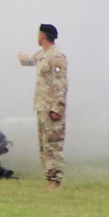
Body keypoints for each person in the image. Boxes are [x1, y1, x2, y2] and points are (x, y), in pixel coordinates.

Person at [17, 23, 68, 189]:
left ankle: (56, 179)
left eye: (38, 34)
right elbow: (29, 59)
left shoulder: (57, 57)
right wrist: (19, 56)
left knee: (53, 144)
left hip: (51, 107)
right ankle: (49, 177)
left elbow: (60, 84)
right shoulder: (42, 55)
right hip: (41, 106)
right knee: (44, 145)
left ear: (43, 36)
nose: (37, 37)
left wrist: (57, 108)